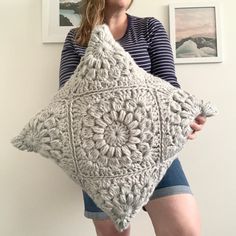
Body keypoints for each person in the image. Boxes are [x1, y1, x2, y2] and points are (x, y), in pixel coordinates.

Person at [59, 0, 206, 235]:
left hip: (154, 149)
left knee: (184, 230)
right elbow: (67, 102)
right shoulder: (76, 38)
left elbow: (169, 88)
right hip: (100, 155)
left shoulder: (149, 28)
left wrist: (185, 115)